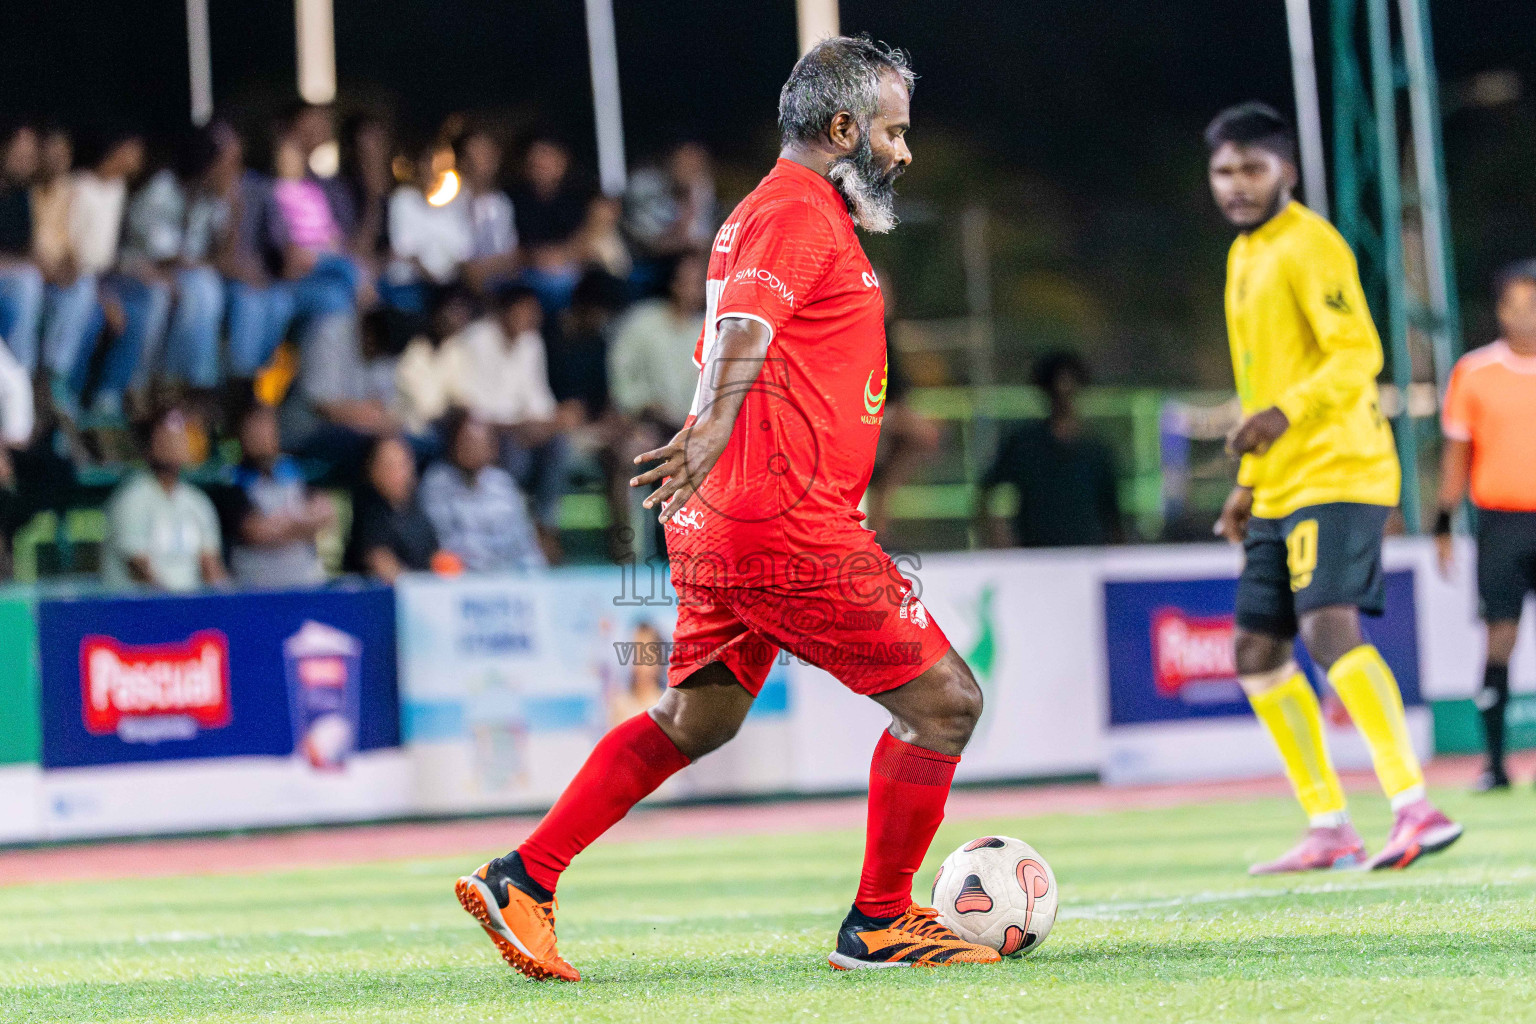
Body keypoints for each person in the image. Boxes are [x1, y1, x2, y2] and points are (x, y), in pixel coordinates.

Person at [454, 36, 1000, 979]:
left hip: (732, 519)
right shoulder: (796, 210)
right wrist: (709, 424)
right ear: (843, 129)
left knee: (694, 719)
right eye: (894, 132)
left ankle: (525, 877)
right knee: (946, 705)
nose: (905, 152)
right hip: (782, 521)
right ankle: (879, 923)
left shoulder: (780, 210)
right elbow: (745, 325)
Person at [1205, 102, 1461, 873]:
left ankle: (1415, 806)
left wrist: (1285, 414)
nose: (1237, 184)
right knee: (1256, 650)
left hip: (1340, 468)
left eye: (1253, 168)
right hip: (1281, 480)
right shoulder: (1244, 256)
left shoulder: (1310, 244)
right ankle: (1330, 826)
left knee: (1326, 628)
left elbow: (1357, 352)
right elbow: (1262, 383)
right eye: (1224, 171)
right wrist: (1248, 481)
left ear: (1286, 169)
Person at [1434, 260, 1536, 792]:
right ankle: (1495, 763)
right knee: (1500, 638)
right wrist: (1443, 523)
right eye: (1518, 304)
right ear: (1500, 310)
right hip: (1501, 525)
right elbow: (1456, 455)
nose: (1528, 314)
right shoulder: (1474, 372)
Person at [442, 284, 573, 549]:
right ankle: (510, 526)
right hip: (487, 429)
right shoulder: (476, 339)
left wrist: (549, 423)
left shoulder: (531, 342)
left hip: (524, 428)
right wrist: (519, 426)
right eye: (524, 311)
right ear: (505, 311)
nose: (531, 318)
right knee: (515, 455)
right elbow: (473, 403)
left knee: (560, 445)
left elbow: (538, 398)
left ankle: (544, 524)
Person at [606, 252, 707, 558]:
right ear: (673, 283)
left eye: (699, 282)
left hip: (696, 430)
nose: (694, 288)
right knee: (630, 455)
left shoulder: (710, 328)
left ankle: (701, 555)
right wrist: (644, 407)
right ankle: (633, 555)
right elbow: (622, 378)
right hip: (647, 424)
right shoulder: (642, 321)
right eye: (687, 280)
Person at [974, 350, 1121, 548]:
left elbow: (1111, 515)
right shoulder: (1025, 444)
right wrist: (999, 538)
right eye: (1057, 384)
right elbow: (985, 493)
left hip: (1087, 557)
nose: (1064, 390)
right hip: (1036, 557)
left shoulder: (1096, 451)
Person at [101, 403, 226, 591]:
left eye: (180, 433)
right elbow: (141, 571)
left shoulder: (198, 502)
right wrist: (175, 605)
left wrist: (227, 600)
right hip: (143, 605)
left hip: (190, 604)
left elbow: (212, 567)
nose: (175, 440)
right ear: (149, 444)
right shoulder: (131, 499)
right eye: (166, 433)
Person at [220, 400, 333, 588]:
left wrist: (279, 526)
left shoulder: (296, 472)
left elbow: (326, 513)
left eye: (268, 426)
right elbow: (257, 532)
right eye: (255, 428)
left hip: (304, 585)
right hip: (256, 590)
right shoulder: (232, 482)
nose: (262, 435)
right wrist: (302, 523)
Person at [419, 409, 545, 573]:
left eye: (479, 443)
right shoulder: (437, 483)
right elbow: (441, 542)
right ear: (454, 444)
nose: (472, 449)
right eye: (467, 442)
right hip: (459, 577)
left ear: (492, 448)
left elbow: (524, 545)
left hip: (507, 577)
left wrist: (536, 575)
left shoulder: (503, 484)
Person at [384, 141, 472, 313]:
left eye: (440, 164)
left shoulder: (457, 203)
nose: (432, 169)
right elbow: (405, 251)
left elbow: (463, 251)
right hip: (410, 286)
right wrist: (435, 281)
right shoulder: (403, 199)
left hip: (449, 288)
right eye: (427, 162)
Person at [343, 434, 439, 583]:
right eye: (389, 466)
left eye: (403, 464)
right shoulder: (368, 512)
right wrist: (421, 588)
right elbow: (383, 564)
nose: (398, 473)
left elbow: (436, 557)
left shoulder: (417, 508)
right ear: (371, 470)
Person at [510, 138, 589, 312]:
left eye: (546, 156)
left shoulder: (577, 197)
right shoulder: (513, 199)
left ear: (562, 162)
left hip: (569, 269)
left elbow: (585, 240)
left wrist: (565, 255)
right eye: (535, 157)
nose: (540, 163)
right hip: (525, 272)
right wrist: (533, 257)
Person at [0, 123, 44, 371]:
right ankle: (22, 372)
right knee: (27, 282)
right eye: (19, 155)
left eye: (29, 157)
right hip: (10, 277)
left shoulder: (21, 194)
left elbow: (25, 245)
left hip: (8, 278)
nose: (24, 162)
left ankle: (33, 375)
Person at [456, 127, 520, 294]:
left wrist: (486, 268)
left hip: (497, 282)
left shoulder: (502, 203)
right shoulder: (451, 201)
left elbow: (509, 255)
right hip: (456, 285)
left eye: (487, 154)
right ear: (463, 161)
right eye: (476, 154)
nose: (483, 161)